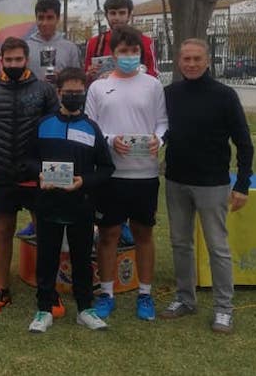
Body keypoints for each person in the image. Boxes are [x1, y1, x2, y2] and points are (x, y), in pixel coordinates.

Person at [161, 38, 254, 333]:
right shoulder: (169, 94)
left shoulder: (224, 96)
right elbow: (160, 131)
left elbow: (244, 143)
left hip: (212, 184)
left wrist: (242, 184)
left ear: (207, 61)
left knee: (218, 247)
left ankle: (224, 308)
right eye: (186, 59)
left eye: (196, 59)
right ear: (179, 61)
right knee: (180, 244)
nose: (191, 64)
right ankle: (185, 299)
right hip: (176, 180)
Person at [85, 25, 168, 322]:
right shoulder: (98, 87)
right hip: (111, 174)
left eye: (134, 51)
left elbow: (162, 122)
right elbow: (91, 128)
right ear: (113, 53)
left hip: (144, 173)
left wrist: (160, 139)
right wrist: (110, 140)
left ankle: (144, 294)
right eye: (123, 51)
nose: (129, 56)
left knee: (144, 233)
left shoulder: (153, 85)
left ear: (140, 53)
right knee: (108, 235)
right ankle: (106, 293)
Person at [28, 67, 114, 333]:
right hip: (48, 203)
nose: (74, 96)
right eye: (69, 92)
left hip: (81, 205)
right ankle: (44, 309)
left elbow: (106, 168)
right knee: (47, 257)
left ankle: (85, 308)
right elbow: (28, 160)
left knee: (81, 258)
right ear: (58, 93)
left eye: (79, 92)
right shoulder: (44, 125)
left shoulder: (91, 127)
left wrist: (84, 182)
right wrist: (39, 174)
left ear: (84, 93)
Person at [0, 37, 58, 314]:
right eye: (8, 60)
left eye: (18, 60)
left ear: (26, 60)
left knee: (45, 233)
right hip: (3, 174)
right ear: (1, 61)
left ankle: (49, 291)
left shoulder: (45, 91)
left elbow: (52, 130)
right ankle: (1, 289)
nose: (13, 64)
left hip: (36, 175)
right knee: (2, 232)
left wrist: (43, 165)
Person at [18, 0, 81, 238]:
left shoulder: (69, 47)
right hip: (33, 114)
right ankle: (35, 222)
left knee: (62, 164)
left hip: (62, 114)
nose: (45, 23)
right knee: (36, 167)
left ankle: (64, 218)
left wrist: (62, 79)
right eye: (41, 18)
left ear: (58, 18)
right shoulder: (27, 46)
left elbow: (77, 78)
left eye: (50, 18)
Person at [84, 0, 158, 82]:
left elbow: (153, 74)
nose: (117, 17)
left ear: (129, 15)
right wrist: (89, 74)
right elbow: (85, 77)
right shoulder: (94, 43)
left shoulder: (145, 42)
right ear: (106, 16)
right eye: (113, 13)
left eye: (122, 13)